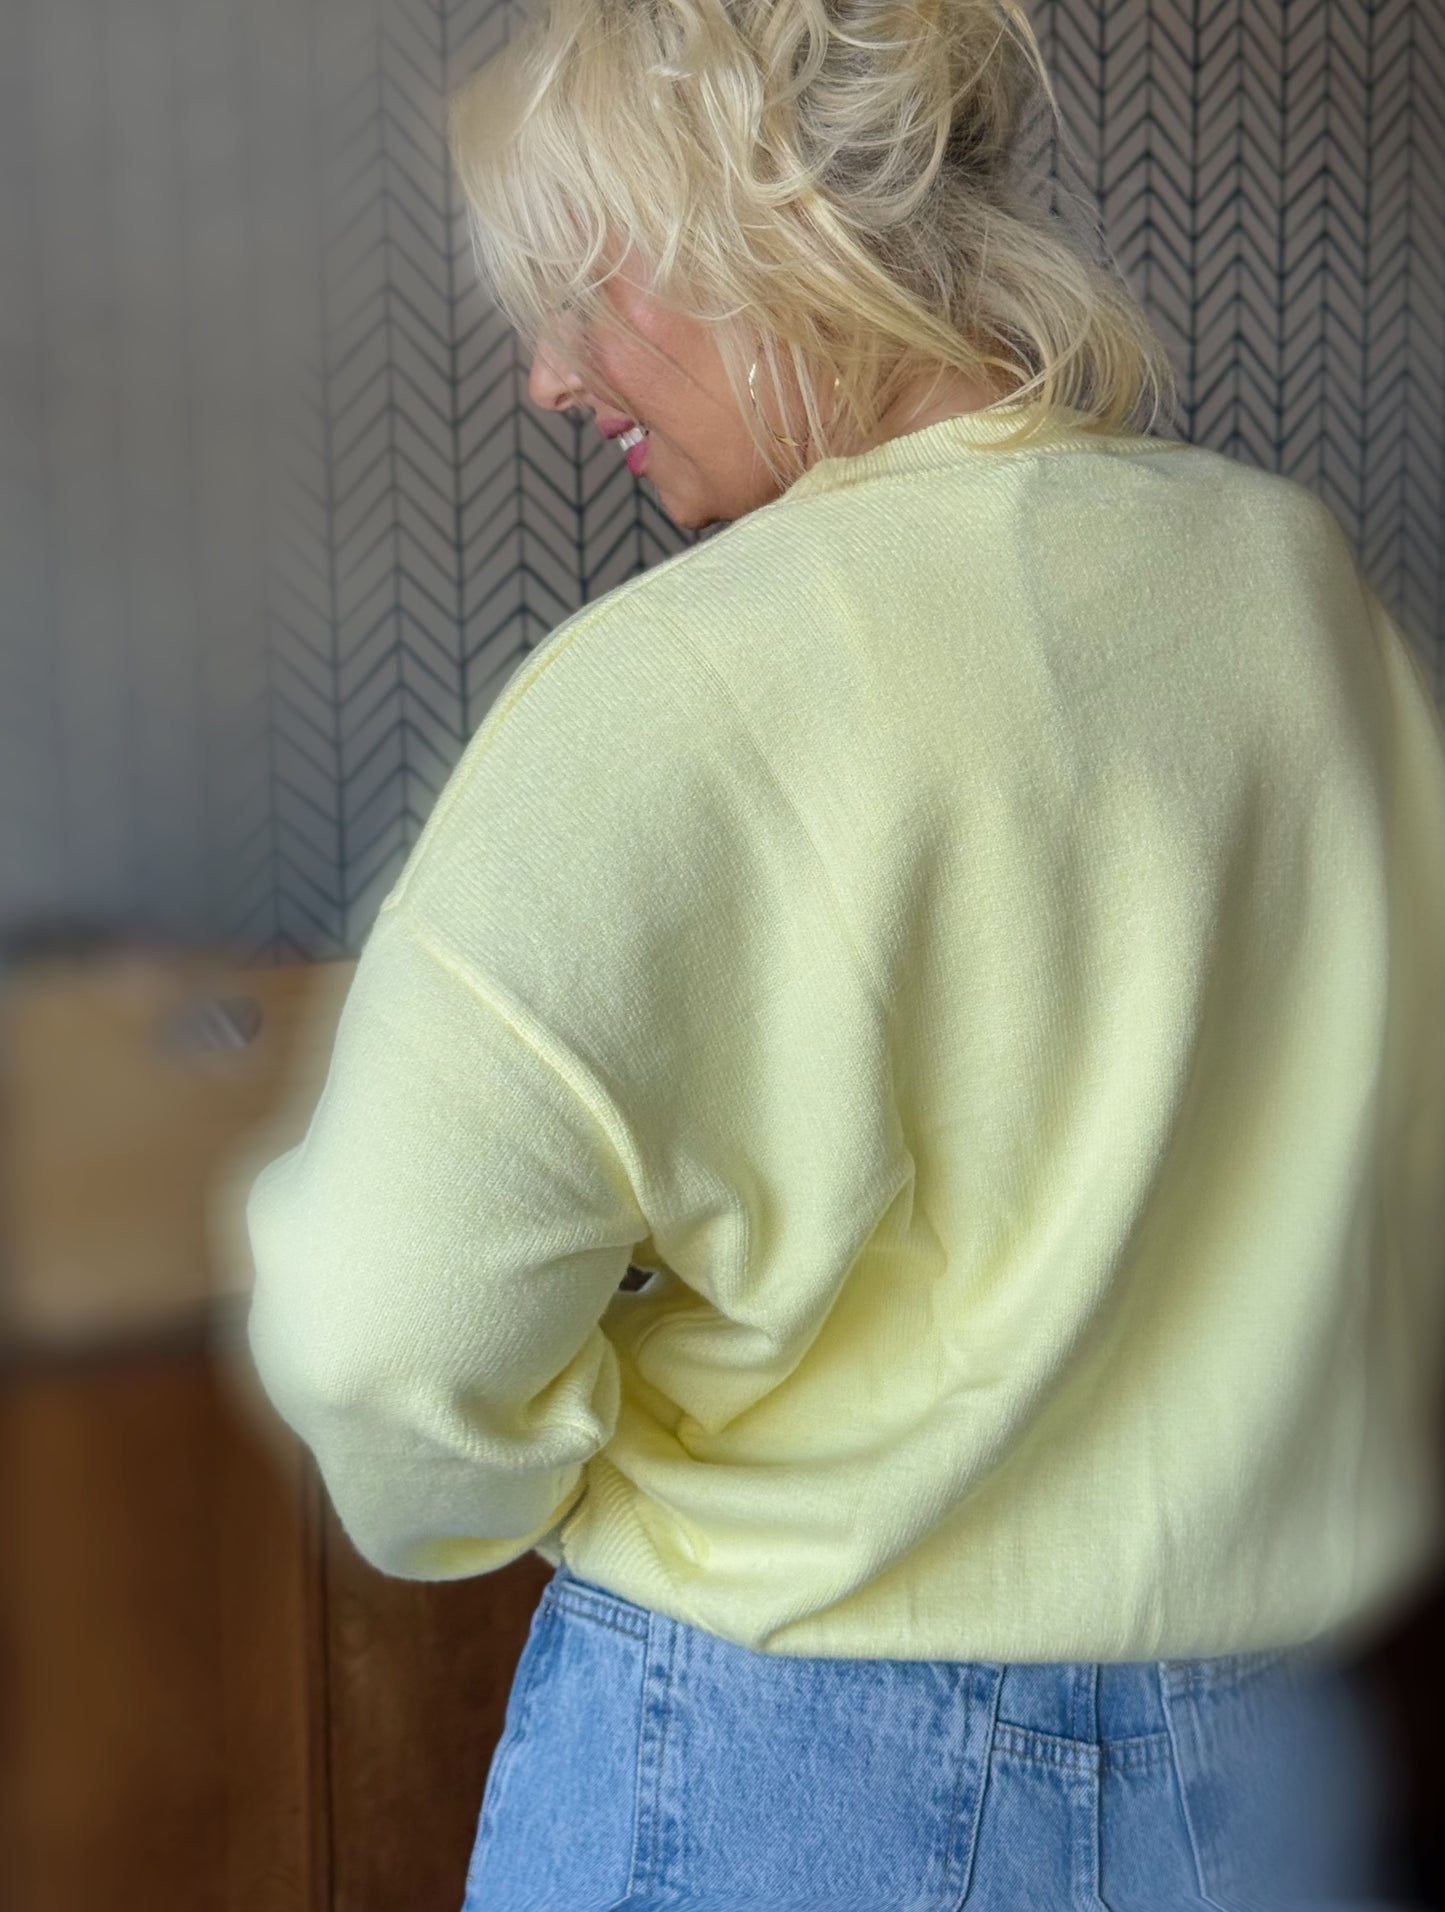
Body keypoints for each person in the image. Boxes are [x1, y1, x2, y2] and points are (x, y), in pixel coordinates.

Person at [235, 0, 1445, 1905]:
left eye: (583, 287)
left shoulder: (650, 696)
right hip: (1270, 1767)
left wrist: (567, 1474)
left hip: (772, 1767)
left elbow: (381, 1335)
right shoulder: (1295, 586)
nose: (545, 375)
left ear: (763, 224)